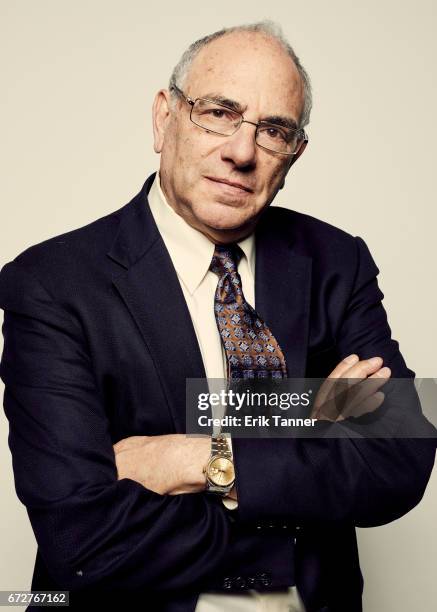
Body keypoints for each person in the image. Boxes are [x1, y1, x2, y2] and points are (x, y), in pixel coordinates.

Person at [0, 21, 435, 612]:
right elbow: (83, 538)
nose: (241, 151)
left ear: (295, 153)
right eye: (219, 112)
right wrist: (311, 415)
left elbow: (400, 463)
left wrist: (195, 457)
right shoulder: (51, 284)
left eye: (274, 130)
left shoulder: (337, 261)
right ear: (164, 118)